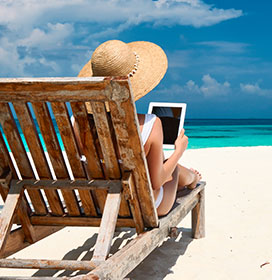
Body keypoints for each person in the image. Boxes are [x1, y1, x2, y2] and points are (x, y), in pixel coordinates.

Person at [79, 40, 202, 216]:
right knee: (172, 166)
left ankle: (191, 176)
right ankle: (192, 178)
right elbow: (156, 182)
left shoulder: (78, 123)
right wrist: (179, 151)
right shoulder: (151, 124)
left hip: (99, 203)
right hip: (143, 206)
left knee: (162, 162)